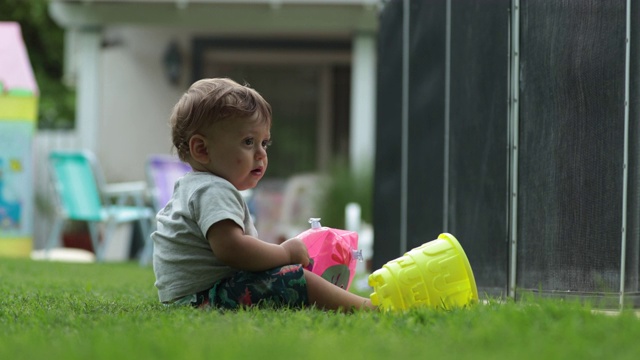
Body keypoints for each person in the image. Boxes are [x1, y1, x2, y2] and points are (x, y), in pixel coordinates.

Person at [152, 78, 375, 312]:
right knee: (295, 278)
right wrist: (285, 252)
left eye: (264, 143)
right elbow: (231, 249)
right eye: (248, 142)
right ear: (202, 149)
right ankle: (367, 308)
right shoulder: (213, 189)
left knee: (285, 276)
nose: (261, 154)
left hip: (192, 297)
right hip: (206, 298)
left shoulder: (193, 186)